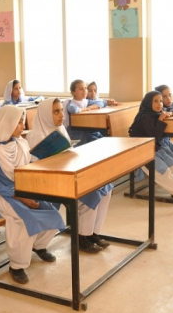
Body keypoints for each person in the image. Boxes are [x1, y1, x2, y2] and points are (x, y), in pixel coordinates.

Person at [0, 106, 64, 284]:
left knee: (53, 207)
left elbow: (27, 168)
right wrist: (21, 197)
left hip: (23, 189)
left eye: (22, 121)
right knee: (24, 218)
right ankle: (16, 265)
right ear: (7, 123)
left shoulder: (20, 143)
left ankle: (39, 246)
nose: (22, 126)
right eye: (18, 122)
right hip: (3, 195)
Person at [27, 98, 112, 253]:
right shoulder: (34, 136)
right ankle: (82, 236)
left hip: (65, 176)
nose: (62, 115)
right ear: (46, 114)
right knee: (91, 195)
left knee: (106, 187)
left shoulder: (60, 130)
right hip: (50, 183)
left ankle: (93, 233)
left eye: (61, 110)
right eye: (56, 112)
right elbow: (34, 169)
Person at [129, 91, 173, 201]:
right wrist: (161, 120)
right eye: (156, 101)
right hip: (142, 150)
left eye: (161, 101)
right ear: (148, 103)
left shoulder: (156, 113)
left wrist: (169, 114)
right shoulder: (144, 117)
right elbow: (154, 136)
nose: (160, 104)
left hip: (156, 147)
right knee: (164, 170)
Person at [64, 79, 117, 145]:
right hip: (77, 134)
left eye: (85, 88)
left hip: (87, 131)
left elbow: (100, 103)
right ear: (73, 92)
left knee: (103, 139)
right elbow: (74, 110)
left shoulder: (86, 101)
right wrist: (84, 109)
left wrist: (89, 107)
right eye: (81, 89)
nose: (84, 91)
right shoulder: (70, 103)